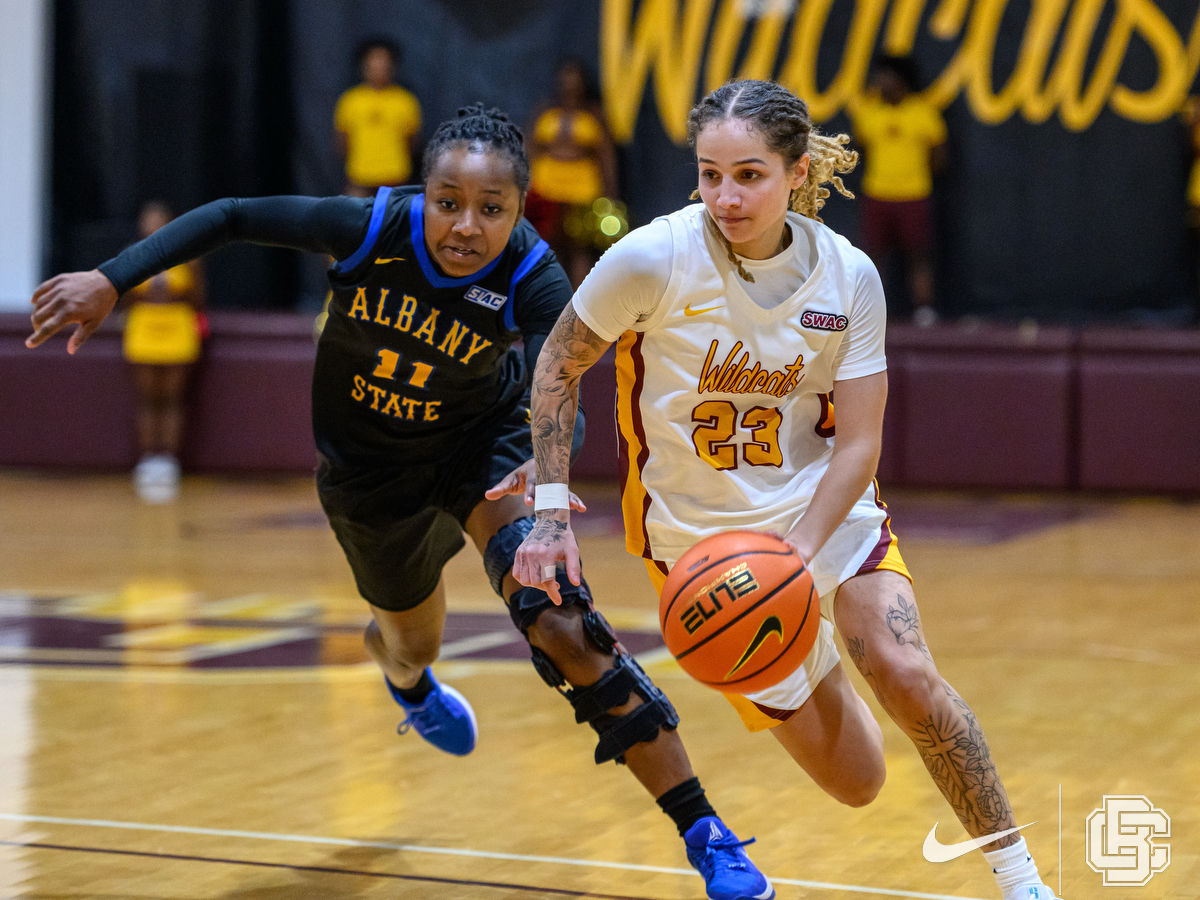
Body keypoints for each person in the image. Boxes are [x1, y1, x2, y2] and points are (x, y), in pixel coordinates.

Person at [26, 105, 773, 900]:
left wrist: (546, 494)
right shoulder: (370, 227)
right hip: (368, 474)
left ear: (521, 210)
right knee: (410, 640)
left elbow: (563, 384)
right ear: (424, 193)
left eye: (492, 209)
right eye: (448, 200)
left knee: (561, 621)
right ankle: (411, 685)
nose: (465, 226)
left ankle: (706, 834)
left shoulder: (532, 274)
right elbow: (233, 216)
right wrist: (112, 278)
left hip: (483, 455)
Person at [506, 80, 1058, 900]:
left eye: (750, 175)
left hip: (822, 514)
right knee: (858, 779)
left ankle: (1023, 881)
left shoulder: (849, 275)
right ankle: (818, 655)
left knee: (906, 671)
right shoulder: (651, 257)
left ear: (798, 173)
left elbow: (862, 440)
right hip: (700, 548)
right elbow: (556, 364)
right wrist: (549, 514)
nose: (726, 196)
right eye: (709, 174)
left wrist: (797, 555)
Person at [850, 55, 947, 325]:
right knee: (872, 256)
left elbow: (939, 155)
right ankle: (869, 311)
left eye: (886, 76)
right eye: (879, 76)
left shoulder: (923, 112)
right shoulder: (868, 112)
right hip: (877, 193)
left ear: (901, 79)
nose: (880, 82)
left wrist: (915, 177)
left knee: (919, 255)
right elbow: (861, 149)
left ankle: (923, 311)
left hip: (914, 194)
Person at [122, 200, 206, 503]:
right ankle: (148, 459)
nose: (152, 225)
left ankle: (169, 460)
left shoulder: (188, 256)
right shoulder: (132, 255)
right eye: (148, 220)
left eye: (159, 220)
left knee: (173, 398)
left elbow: (198, 298)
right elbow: (122, 297)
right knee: (147, 398)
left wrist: (175, 294)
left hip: (177, 329)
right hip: (144, 328)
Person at [525, 59, 618, 287]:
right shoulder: (544, 111)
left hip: (582, 191)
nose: (570, 84)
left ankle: (579, 301)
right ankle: (551, 296)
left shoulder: (594, 114)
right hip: (546, 189)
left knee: (580, 249)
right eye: (565, 78)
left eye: (575, 78)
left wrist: (611, 193)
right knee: (549, 246)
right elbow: (530, 149)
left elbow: (605, 157)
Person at [334, 39, 423, 197]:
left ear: (392, 65)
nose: (378, 66)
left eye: (383, 60)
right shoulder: (350, 99)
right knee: (357, 220)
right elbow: (342, 141)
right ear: (363, 65)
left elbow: (412, 142)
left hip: (396, 178)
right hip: (360, 177)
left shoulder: (405, 100)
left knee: (394, 220)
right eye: (373, 60)